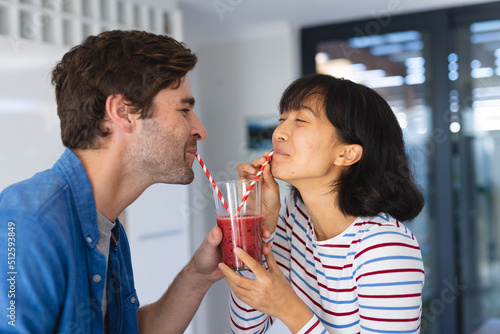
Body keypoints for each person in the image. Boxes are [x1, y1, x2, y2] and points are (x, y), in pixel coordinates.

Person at [0, 30, 224, 333]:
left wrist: (198, 276)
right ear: (122, 112)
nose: (199, 129)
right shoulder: (28, 224)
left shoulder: (107, 228)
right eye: (184, 110)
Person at [220, 74, 425, 333]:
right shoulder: (296, 216)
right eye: (282, 119)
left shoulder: (387, 248)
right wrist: (260, 222)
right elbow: (248, 330)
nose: (279, 133)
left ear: (346, 153)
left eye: (301, 120)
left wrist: (289, 309)